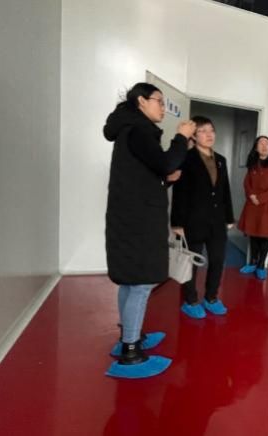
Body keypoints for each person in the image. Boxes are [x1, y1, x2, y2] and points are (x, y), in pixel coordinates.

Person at [103, 82, 195, 378]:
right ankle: (131, 352)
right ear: (141, 101)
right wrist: (181, 137)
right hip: (138, 222)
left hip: (130, 218)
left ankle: (130, 337)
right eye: (159, 101)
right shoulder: (138, 130)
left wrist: (166, 180)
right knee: (141, 283)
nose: (163, 108)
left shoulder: (130, 130)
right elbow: (166, 162)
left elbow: (144, 177)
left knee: (130, 282)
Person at [171, 116, 234, 319]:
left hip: (217, 222)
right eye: (202, 131)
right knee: (190, 263)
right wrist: (177, 223)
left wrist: (229, 217)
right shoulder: (186, 158)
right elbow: (179, 193)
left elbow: (225, 191)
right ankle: (190, 301)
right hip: (192, 221)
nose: (209, 135)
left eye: (211, 130)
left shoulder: (221, 160)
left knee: (217, 260)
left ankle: (211, 298)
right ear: (194, 136)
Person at [237, 136, 268, 280]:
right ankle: (252, 262)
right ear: (256, 148)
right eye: (260, 143)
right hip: (252, 204)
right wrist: (251, 195)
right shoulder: (253, 163)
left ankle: (261, 265)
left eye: (267, 143)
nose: (264, 146)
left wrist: (260, 198)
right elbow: (247, 183)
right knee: (253, 234)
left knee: (264, 236)